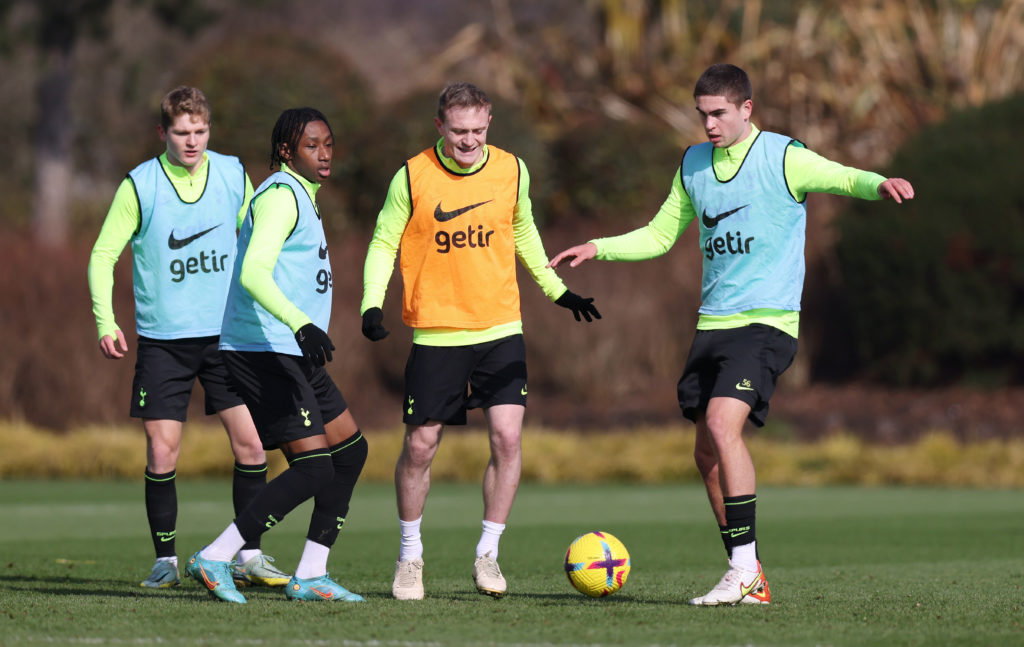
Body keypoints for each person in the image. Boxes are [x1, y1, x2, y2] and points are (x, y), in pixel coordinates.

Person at [548, 64, 915, 606]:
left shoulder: (782, 155)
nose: (710, 124)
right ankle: (748, 575)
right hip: (712, 325)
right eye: (702, 114)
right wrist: (599, 246)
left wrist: (877, 183)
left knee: (724, 423)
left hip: (766, 322)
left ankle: (744, 571)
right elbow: (659, 234)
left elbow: (838, 175)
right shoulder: (694, 164)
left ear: (747, 108)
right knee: (705, 453)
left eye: (719, 113)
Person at [361, 82, 601, 600]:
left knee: (508, 439)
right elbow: (383, 240)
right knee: (421, 446)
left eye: (477, 130)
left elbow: (523, 231)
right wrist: (371, 302)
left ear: (489, 121)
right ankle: (409, 557)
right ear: (439, 126)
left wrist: (558, 292)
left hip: (500, 328)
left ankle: (488, 555)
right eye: (457, 131)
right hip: (437, 332)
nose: (468, 141)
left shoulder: (513, 169)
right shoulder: (412, 175)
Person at [87, 86, 290, 590]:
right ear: (164, 133)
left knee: (253, 447)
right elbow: (101, 256)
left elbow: (259, 241)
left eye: (200, 131)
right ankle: (165, 561)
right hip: (164, 342)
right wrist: (105, 321)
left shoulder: (231, 173)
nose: (192, 141)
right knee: (163, 452)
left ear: (209, 129)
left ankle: (249, 554)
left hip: (229, 337)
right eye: (182, 132)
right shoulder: (140, 185)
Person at [183, 107, 368, 604]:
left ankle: (311, 574)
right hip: (261, 348)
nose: (325, 153)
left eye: (328, 143)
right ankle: (217, 555)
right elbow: (253, 273)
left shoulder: (305, 197)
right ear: (286, 151)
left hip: (290, 349)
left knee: (350, 453)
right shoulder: (282, 197)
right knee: (313, 468)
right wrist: (300, 321)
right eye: (312, 145)